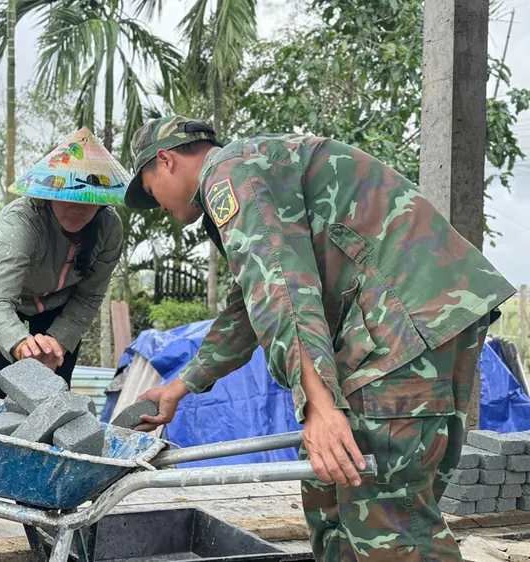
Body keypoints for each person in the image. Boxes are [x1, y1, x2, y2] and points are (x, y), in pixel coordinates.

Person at [125, 116, 516, 561]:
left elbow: (283, 291)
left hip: (398, 331)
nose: (156, 204)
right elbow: (249, 309)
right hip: (424, 321)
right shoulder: (261, 169)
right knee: (332, 492)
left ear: (165, 160)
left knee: (389, 522)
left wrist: (319, 407)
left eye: (149, 189)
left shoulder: (230, 174)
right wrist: (179, 388)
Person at [0, 128, 126, 540]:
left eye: (88, 201)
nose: (78, 208)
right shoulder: (22, 220)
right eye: (69, 198)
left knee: (52, 403)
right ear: (49, 192)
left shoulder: (110, 229)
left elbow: (89, 298)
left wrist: (56, 341)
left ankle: (42, 502)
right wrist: (20, 345)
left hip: (60, 307)